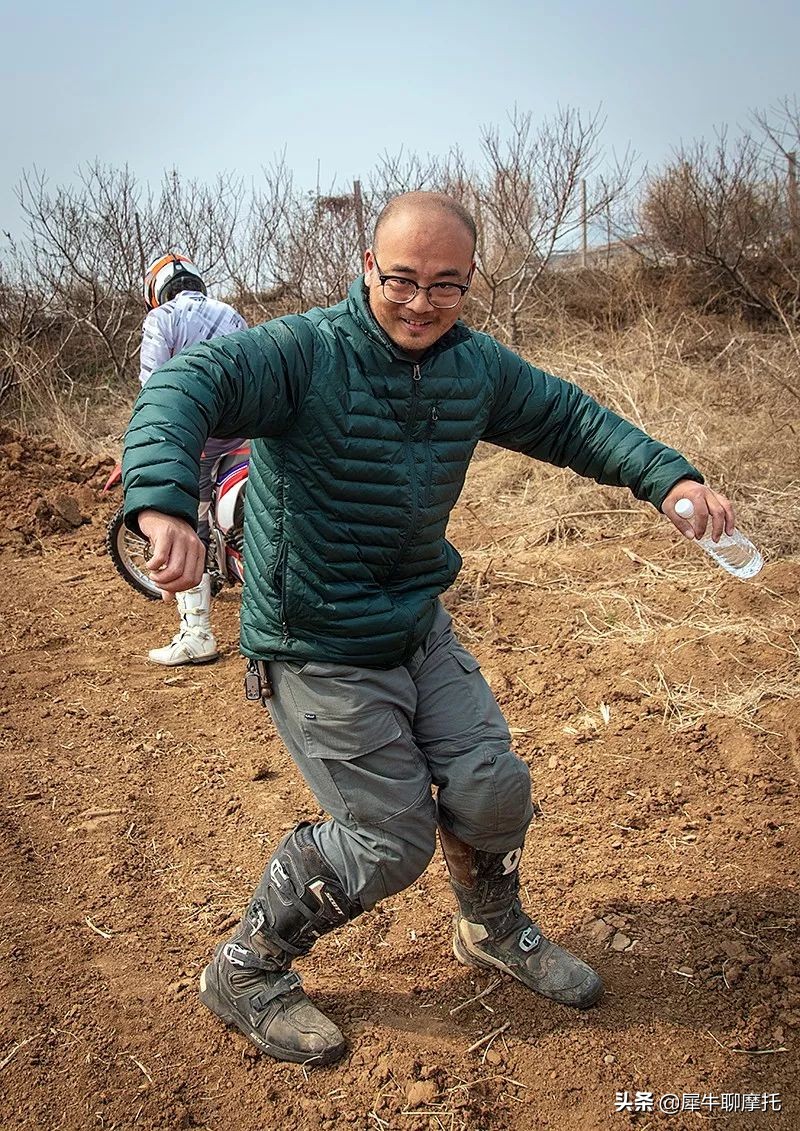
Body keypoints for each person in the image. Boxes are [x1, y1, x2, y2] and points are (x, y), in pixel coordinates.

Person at [122, 193, 735, 1066]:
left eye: (445, 284)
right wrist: (160, 503)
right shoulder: (305, 354)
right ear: (368, 268)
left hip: (415, 623)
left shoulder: (473, 369)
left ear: (470, 282)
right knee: (388, 838)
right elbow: (189, 382)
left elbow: (570, 420)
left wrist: (668, 480)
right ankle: (247, 967)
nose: (420, 303)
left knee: (493, 788)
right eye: (402, 279)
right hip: (314, 640)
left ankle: (490, 926)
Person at [138, 253, 248, 666]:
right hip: (243, 436)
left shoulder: (161, 320)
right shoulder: (230, 312)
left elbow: (155, 392)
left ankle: (197, 634)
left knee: (191, 527)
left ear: (156, 291)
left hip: (197, 442)